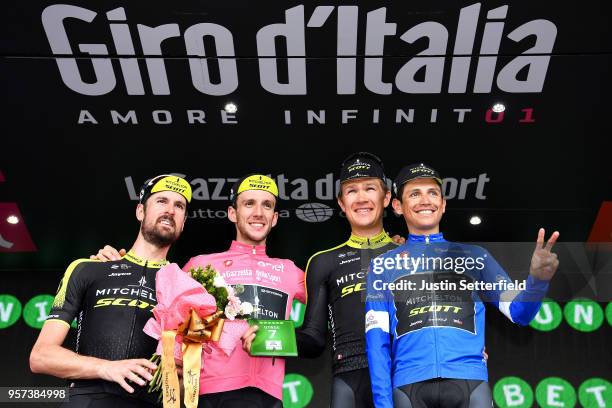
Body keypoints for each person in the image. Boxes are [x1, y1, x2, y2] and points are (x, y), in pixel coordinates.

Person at [94, 174, 305, 408]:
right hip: (209, 391)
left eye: (267, 206)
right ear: (232, 213)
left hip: (269, 393)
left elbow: (333, 301)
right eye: (249, 204)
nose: (258, 213)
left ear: (275, 218)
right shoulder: (200, 264)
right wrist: (119, 262)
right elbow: (166, 306)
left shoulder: (290, 271)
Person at [365, 163, 560, 408]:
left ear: (443, 204)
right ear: (397, 206)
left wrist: (537, 281)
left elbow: (520, 313)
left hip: (470, 383)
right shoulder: (382, 266)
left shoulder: (476, 257)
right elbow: (376, 343)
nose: (425, 200)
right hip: (408, 386)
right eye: (415, 194)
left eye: (432, 193)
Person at [30, 174, 192, 408]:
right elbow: (41, 357)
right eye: (161, 201)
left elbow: (185, 385)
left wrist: (182, 376)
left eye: (179, 206)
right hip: (88, 399)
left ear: (184, 222)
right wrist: (106, 367)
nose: (170, 210)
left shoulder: (188, 288)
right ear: (140, 211)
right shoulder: (88, 268)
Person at [295, 152, 398, 408]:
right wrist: (268, 334)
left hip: (405, 374)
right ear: (341, 202)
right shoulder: (323, 261)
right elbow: (313, 339)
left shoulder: (408, 255)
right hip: (349, 378)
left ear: (385, 198)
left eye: (370, 188)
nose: (361, 198)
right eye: (351, 191)